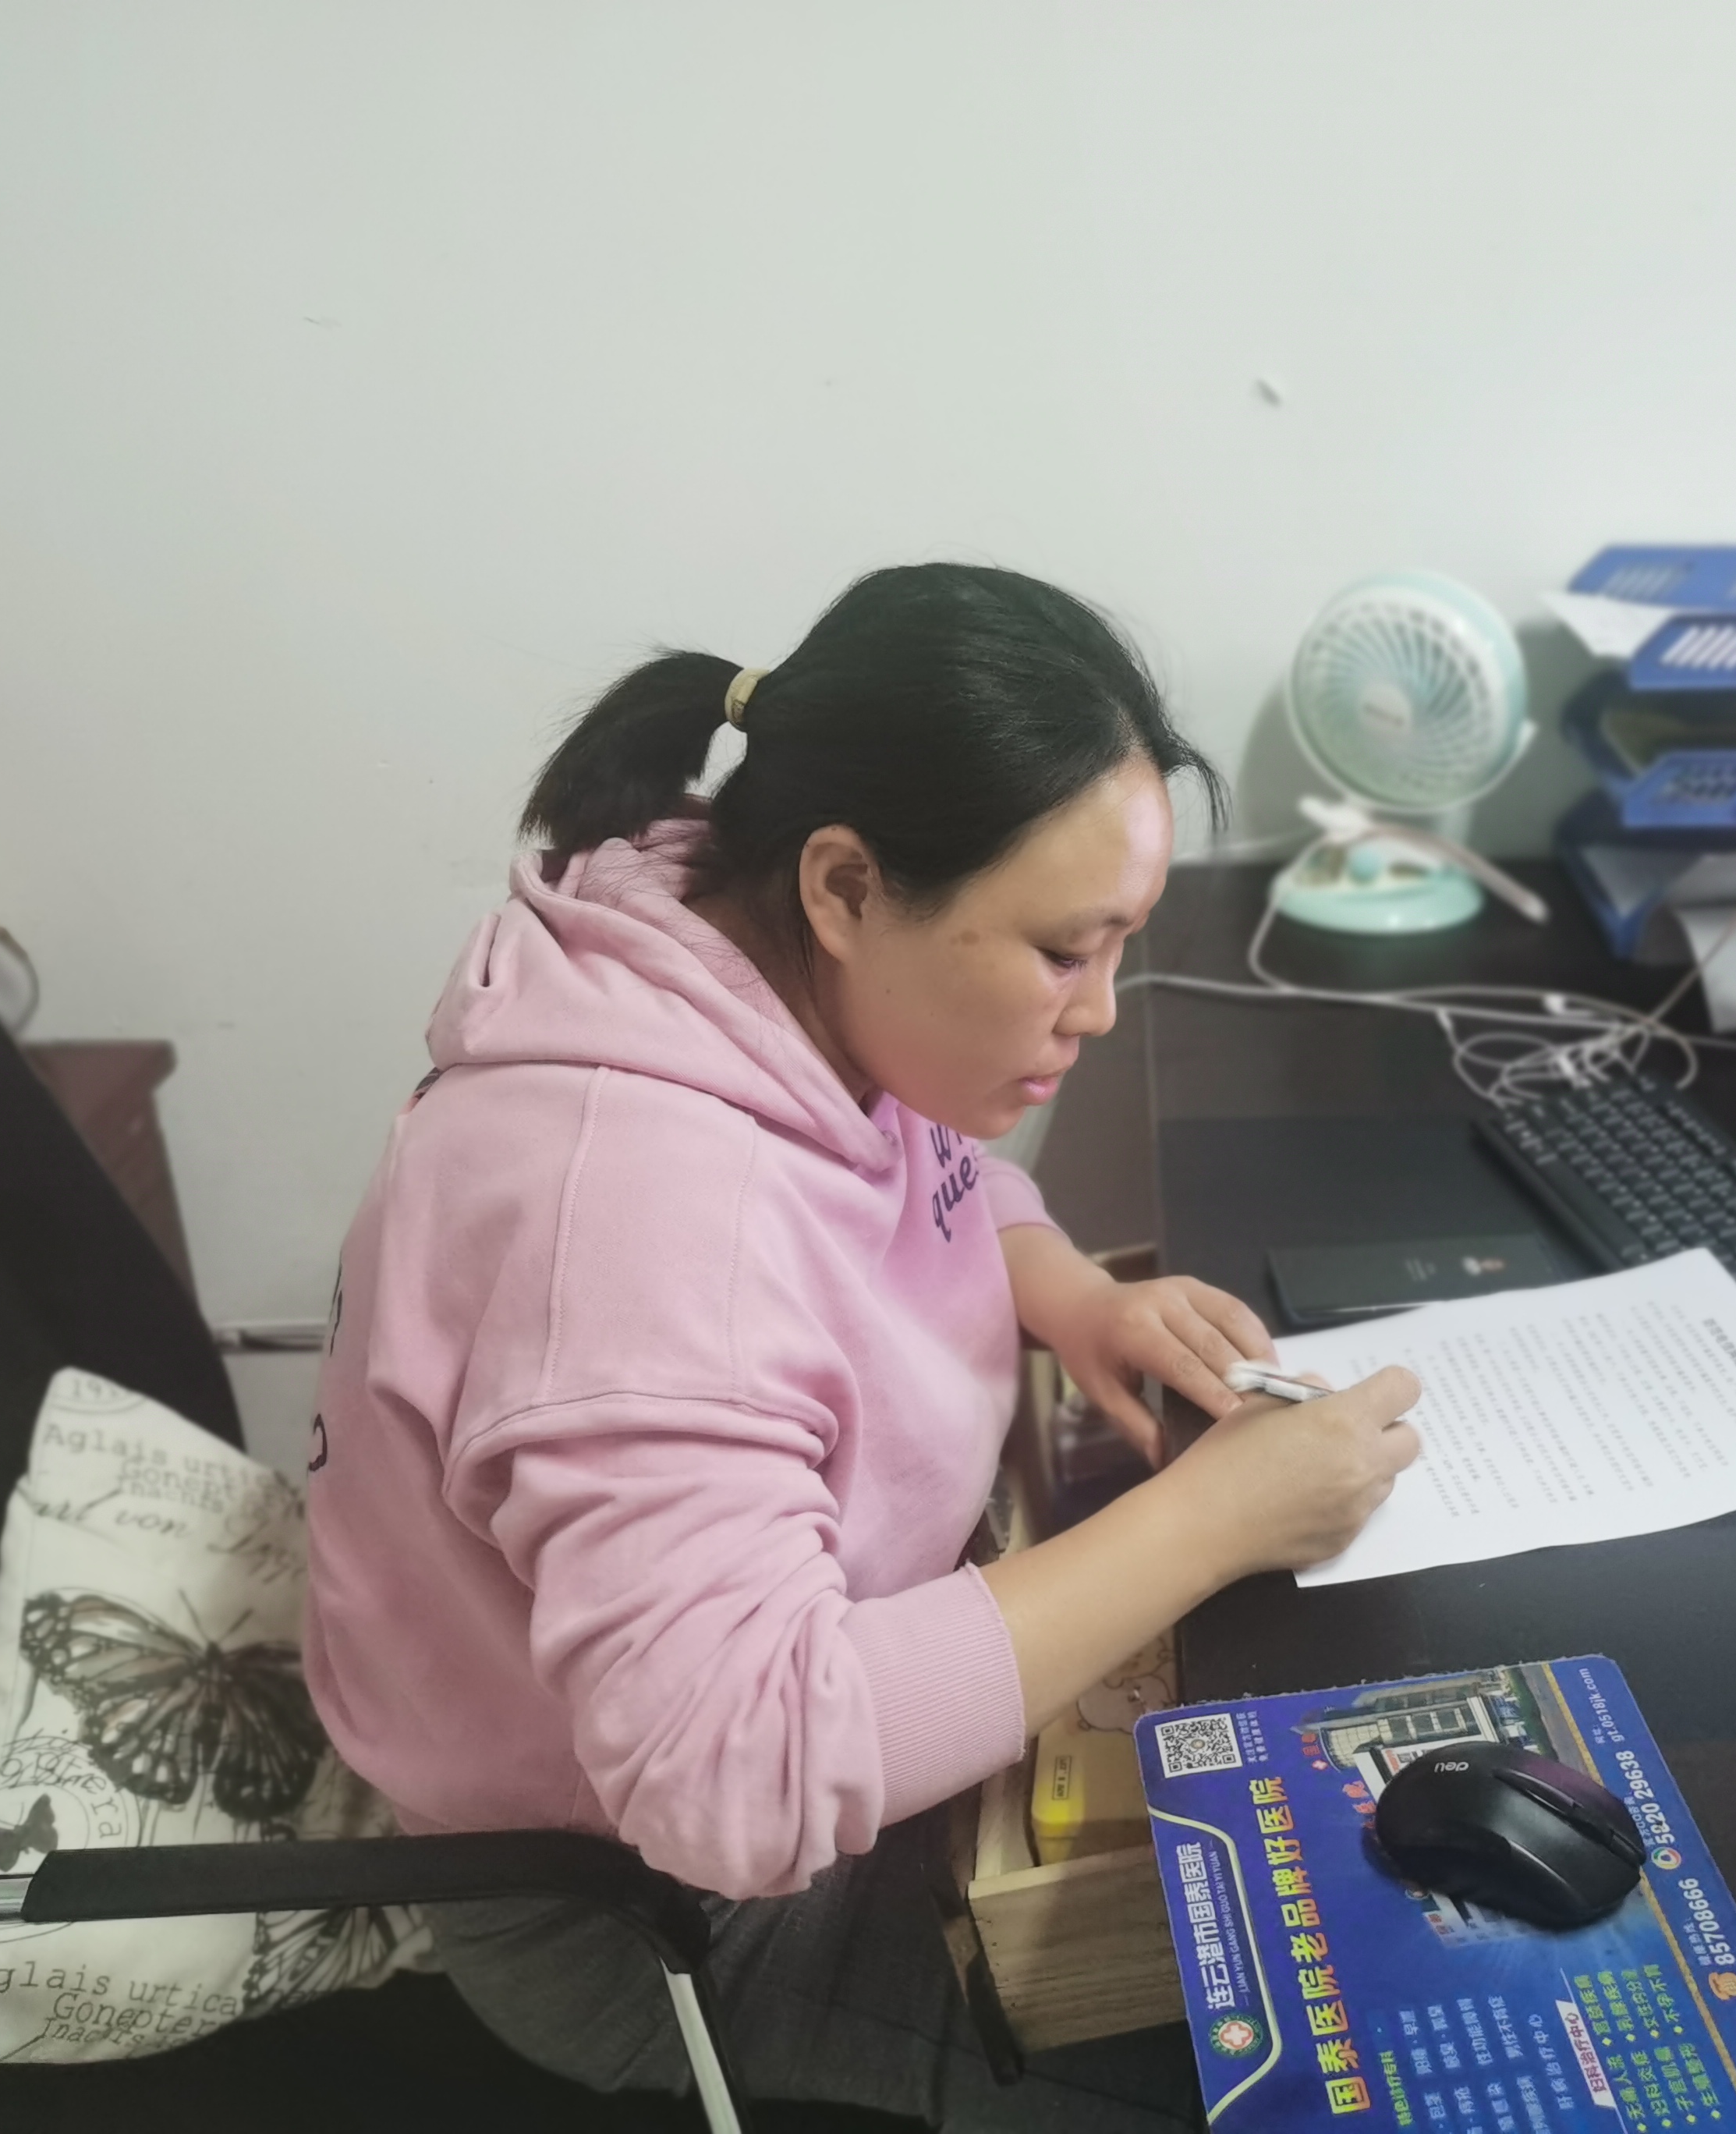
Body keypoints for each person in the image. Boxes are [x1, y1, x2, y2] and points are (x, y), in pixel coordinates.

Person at [301, 563, 1424, 2129]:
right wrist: (1214, 1520)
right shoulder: (634, 1216)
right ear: (844, 886)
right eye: (1064, 952)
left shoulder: (749, 964)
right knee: (1349, 2051)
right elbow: (739, 1775)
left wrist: (1066, 1292)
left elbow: (924, 1183)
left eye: (1121, 946)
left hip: (828, 1699)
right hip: (659, 1915)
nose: (1099, 1012)